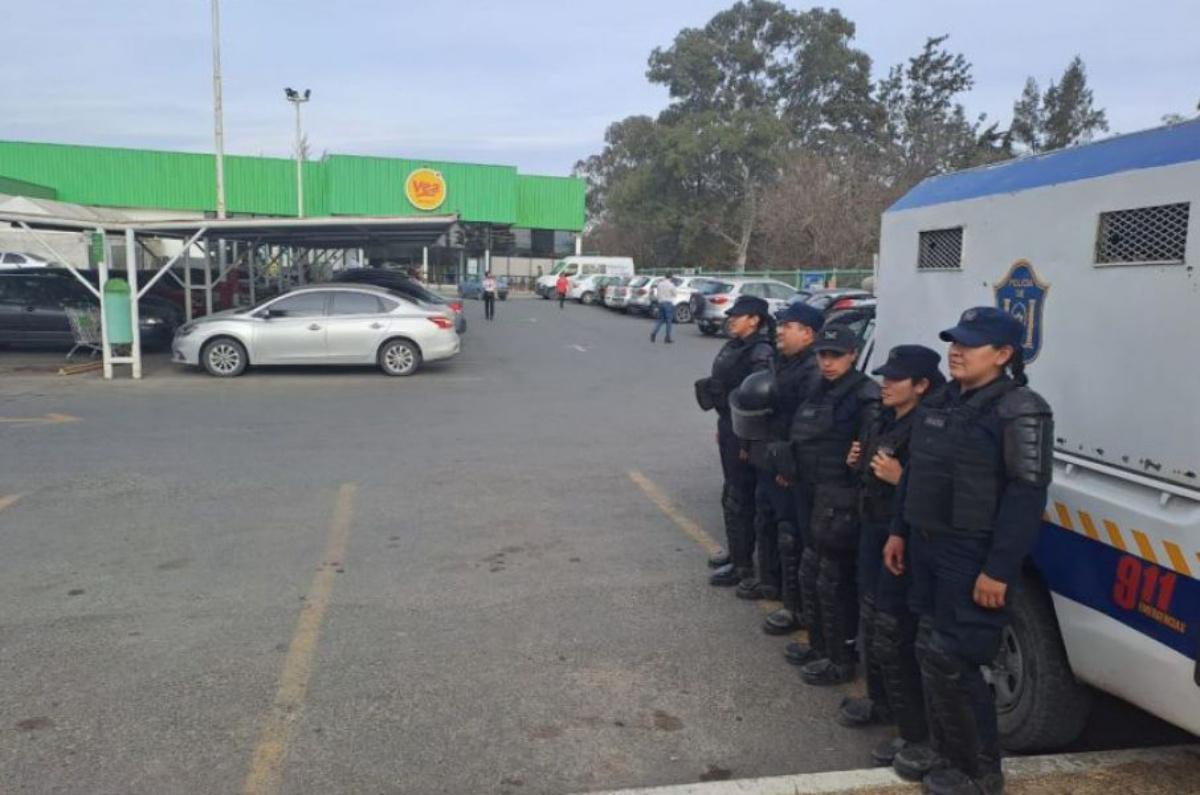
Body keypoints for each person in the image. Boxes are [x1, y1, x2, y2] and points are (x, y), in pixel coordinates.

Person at [883, 308, 1052, 795]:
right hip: (925, 545)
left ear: (1002, 355)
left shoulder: (1020, 409)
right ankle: (947, 752)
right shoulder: (942, 400)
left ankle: (981, 772)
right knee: (931, 652)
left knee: (956, 661)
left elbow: (1026, 495)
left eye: (969, 344)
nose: (955, 351)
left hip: (971, 555)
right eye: (954, 342)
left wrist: (998, 570)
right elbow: (916, 472)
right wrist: (899, 530)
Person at [839, 346, 945, 775]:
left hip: (900, 538)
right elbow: (869, 470)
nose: (885, 383)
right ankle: (882, 703)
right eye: (884, 376)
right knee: (873, 620)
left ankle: (914, 729)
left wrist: (902, 481)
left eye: (895, 378)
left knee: (895, 631)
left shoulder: (928, 427)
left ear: (921, 385)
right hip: (874, 529)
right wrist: (856, 464)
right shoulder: (888, 419)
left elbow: (937, 493)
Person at [786, 324, 880, 686]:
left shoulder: (865, 396)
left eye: (835, 355)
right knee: (811, 573)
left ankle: (840, 658)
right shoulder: (817, 387)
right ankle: (820, 645)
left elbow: (869, 452)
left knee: (833, 581)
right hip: (811, 491)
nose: (827, 362)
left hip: (841, 500)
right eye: (822, 355)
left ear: (853, 354)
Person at [736, 303, 822, 633]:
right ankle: (771, 583)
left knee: (792, 536)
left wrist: (789, 463)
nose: (780, 330)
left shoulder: (811, 370)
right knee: (767, 521)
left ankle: (795, 606)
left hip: (790, 466)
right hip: (770, 458)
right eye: (781, 324)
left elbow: (804, 427)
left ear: (808, 334)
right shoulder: (784, 362)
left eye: (789, 326)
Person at [693, 296, 774, 586]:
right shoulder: (737, 345)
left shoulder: (761, 351)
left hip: (745, 434)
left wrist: (745, 441)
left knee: (741, 498)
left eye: (737, 316)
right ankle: (737, 554)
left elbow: (756, 401)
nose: (731, 320)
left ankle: (743, 566)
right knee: (732, 496)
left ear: (754, 319)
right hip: (730, 426)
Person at [650, 274, 677, 343]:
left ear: (665, 277)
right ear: (671, 277)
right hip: (668, 303)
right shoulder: (671, 285)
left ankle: (654, 333)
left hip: (661, 303)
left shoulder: (660, 284)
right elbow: (674, 294)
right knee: (669, 321)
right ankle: (667, 337)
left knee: (660, 320)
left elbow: (658, 294)